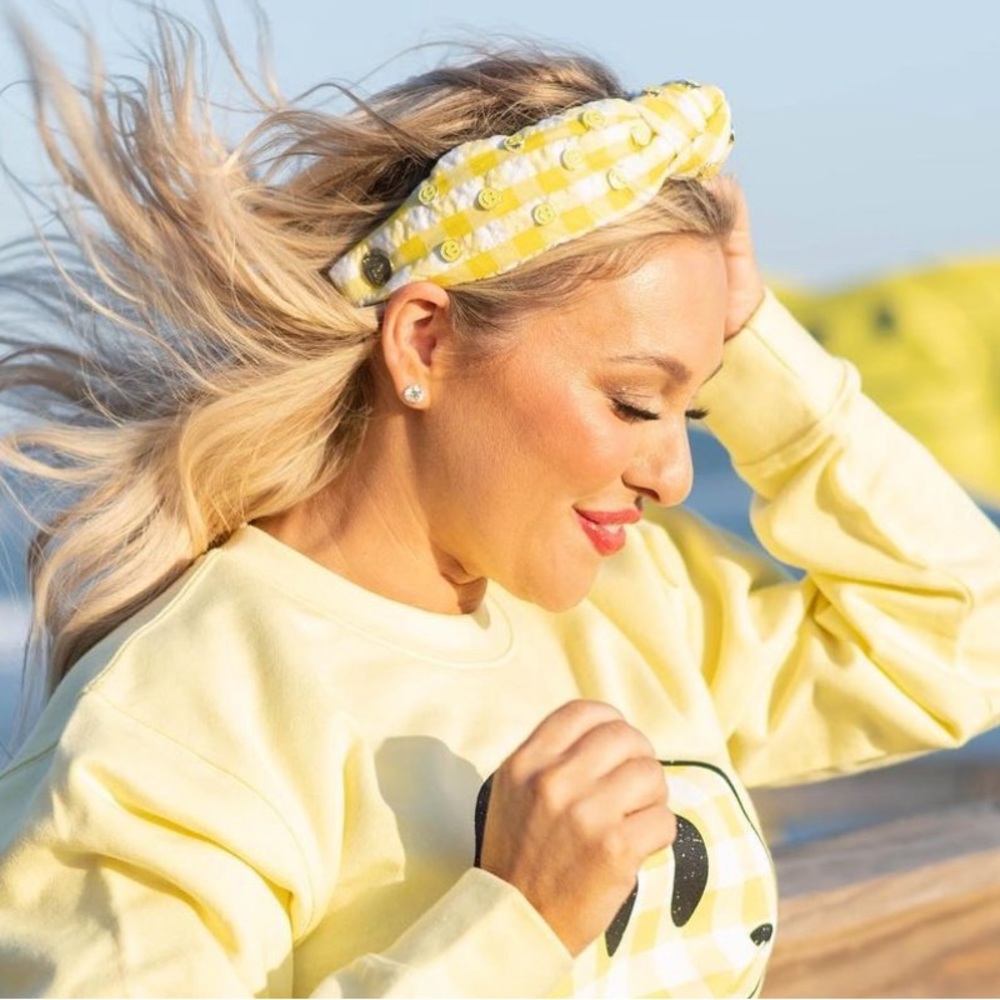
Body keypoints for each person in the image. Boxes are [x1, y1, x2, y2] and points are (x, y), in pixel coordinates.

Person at [0, 9, 998, 999]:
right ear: (424, 342)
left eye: (692, 408)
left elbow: (960, 637)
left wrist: (750, 337)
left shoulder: (623, 602)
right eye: (634, 400)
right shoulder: (187, 713)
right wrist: (515, 923)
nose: (674, 474)